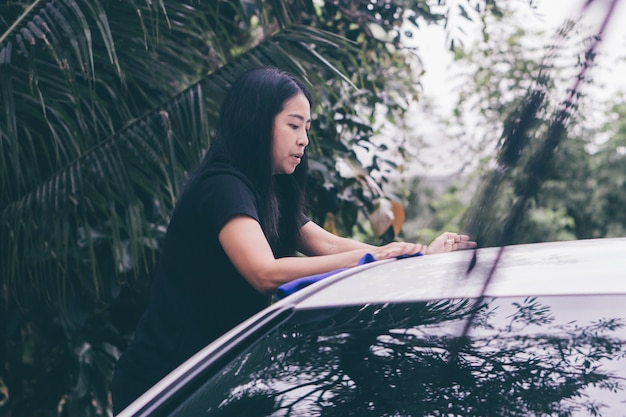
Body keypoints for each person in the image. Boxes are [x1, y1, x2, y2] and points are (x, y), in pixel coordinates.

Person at [110, 66, 475, 414]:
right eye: (293, 125)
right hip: (166, 384)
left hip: (216, 380)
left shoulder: (270, 189)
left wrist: (418, 254)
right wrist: (373, 259)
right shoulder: (223, 186)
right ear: (256, 123)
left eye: (307, 127)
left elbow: (329, 245)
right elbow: (264, 272)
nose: (304, 139)